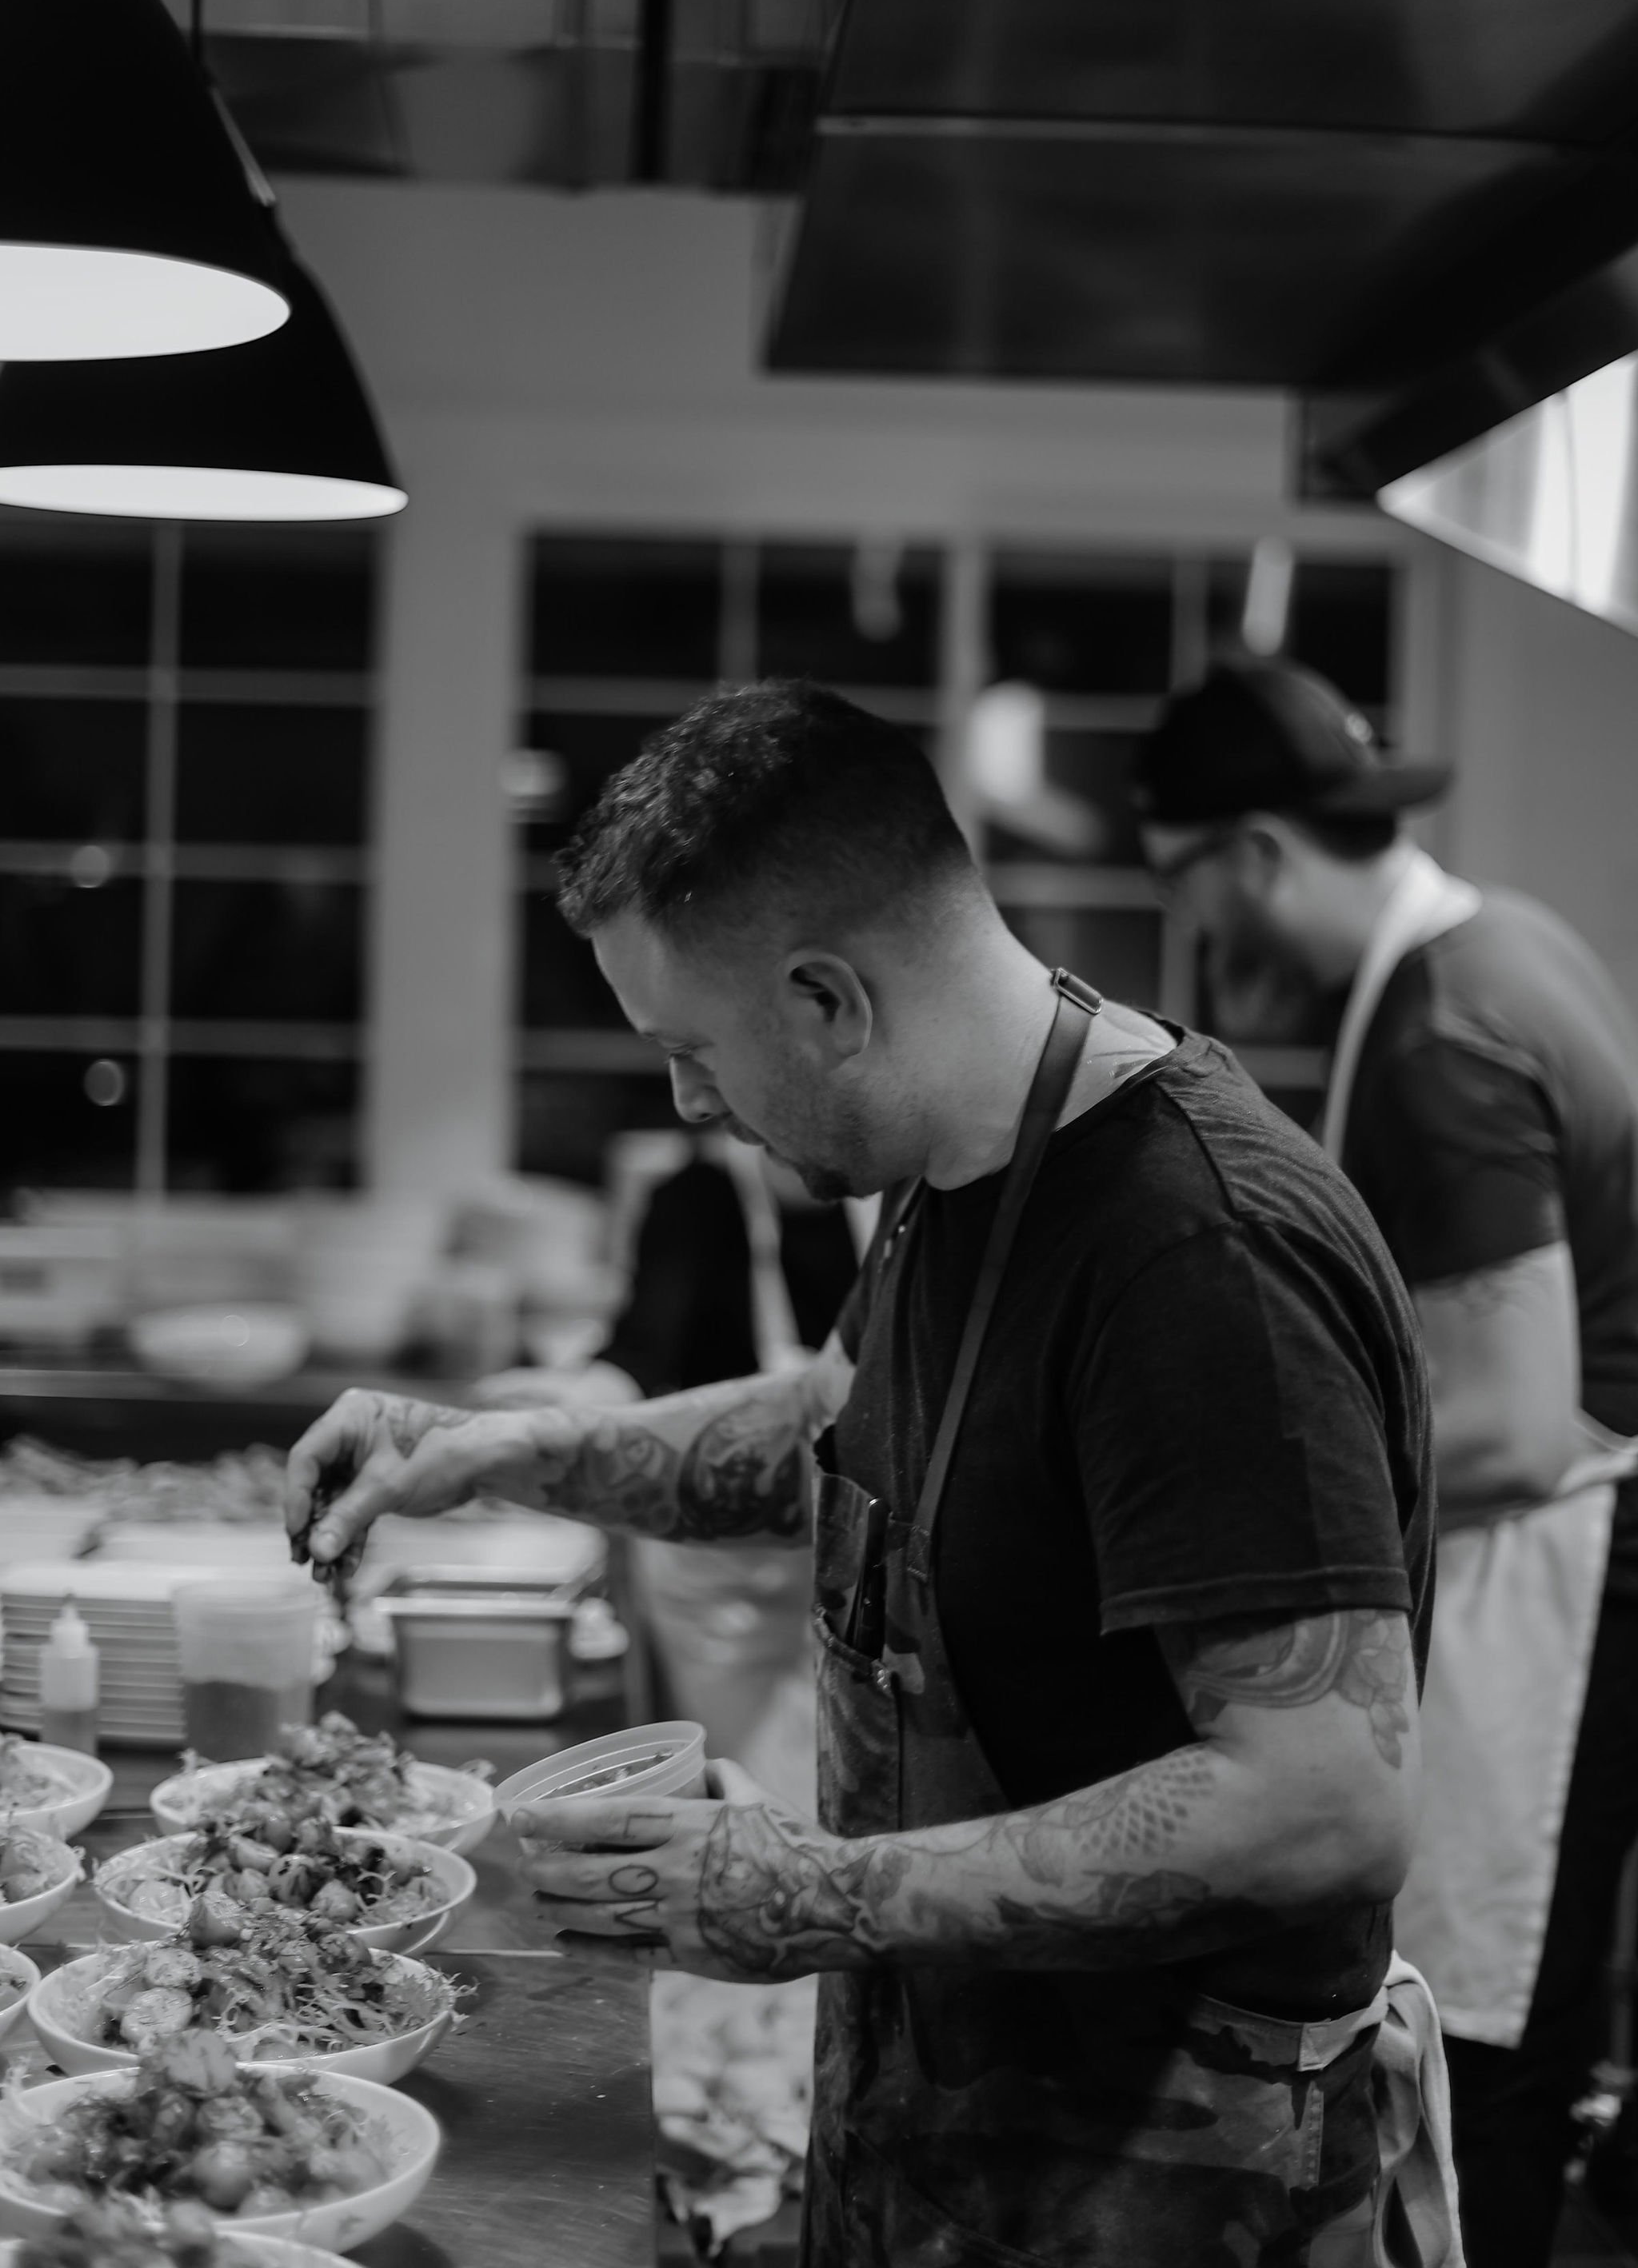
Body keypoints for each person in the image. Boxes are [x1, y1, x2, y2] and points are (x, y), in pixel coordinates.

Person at [286, 679, 1448, 2268]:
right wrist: (497, 1450)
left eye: (696, 1051)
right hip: (961, 2149)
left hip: (1172, 2185)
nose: (688, 1103)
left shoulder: (1199, 1257)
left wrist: (810, 1895)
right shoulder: (961, 1165)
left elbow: (1321, 1804)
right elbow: (834, 1424)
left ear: (829, 1000)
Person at [1136, 658, 1638, 2268]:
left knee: (1479, 2056)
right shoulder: (1508, 941)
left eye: (1188, 884)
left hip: (1556, 1590)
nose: (1200, 936)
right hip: (1560, 1565)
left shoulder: (1442, 1032)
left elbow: (1506, 1419)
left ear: (1259, 853)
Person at [481, 1133, 867, 1807]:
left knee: (855, 1778)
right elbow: (641, 1351)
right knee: (757, 1785)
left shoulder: (895, 1195)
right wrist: (568, 1409)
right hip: (723, 1570)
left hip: (855, 1546)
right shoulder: (696, 1197)